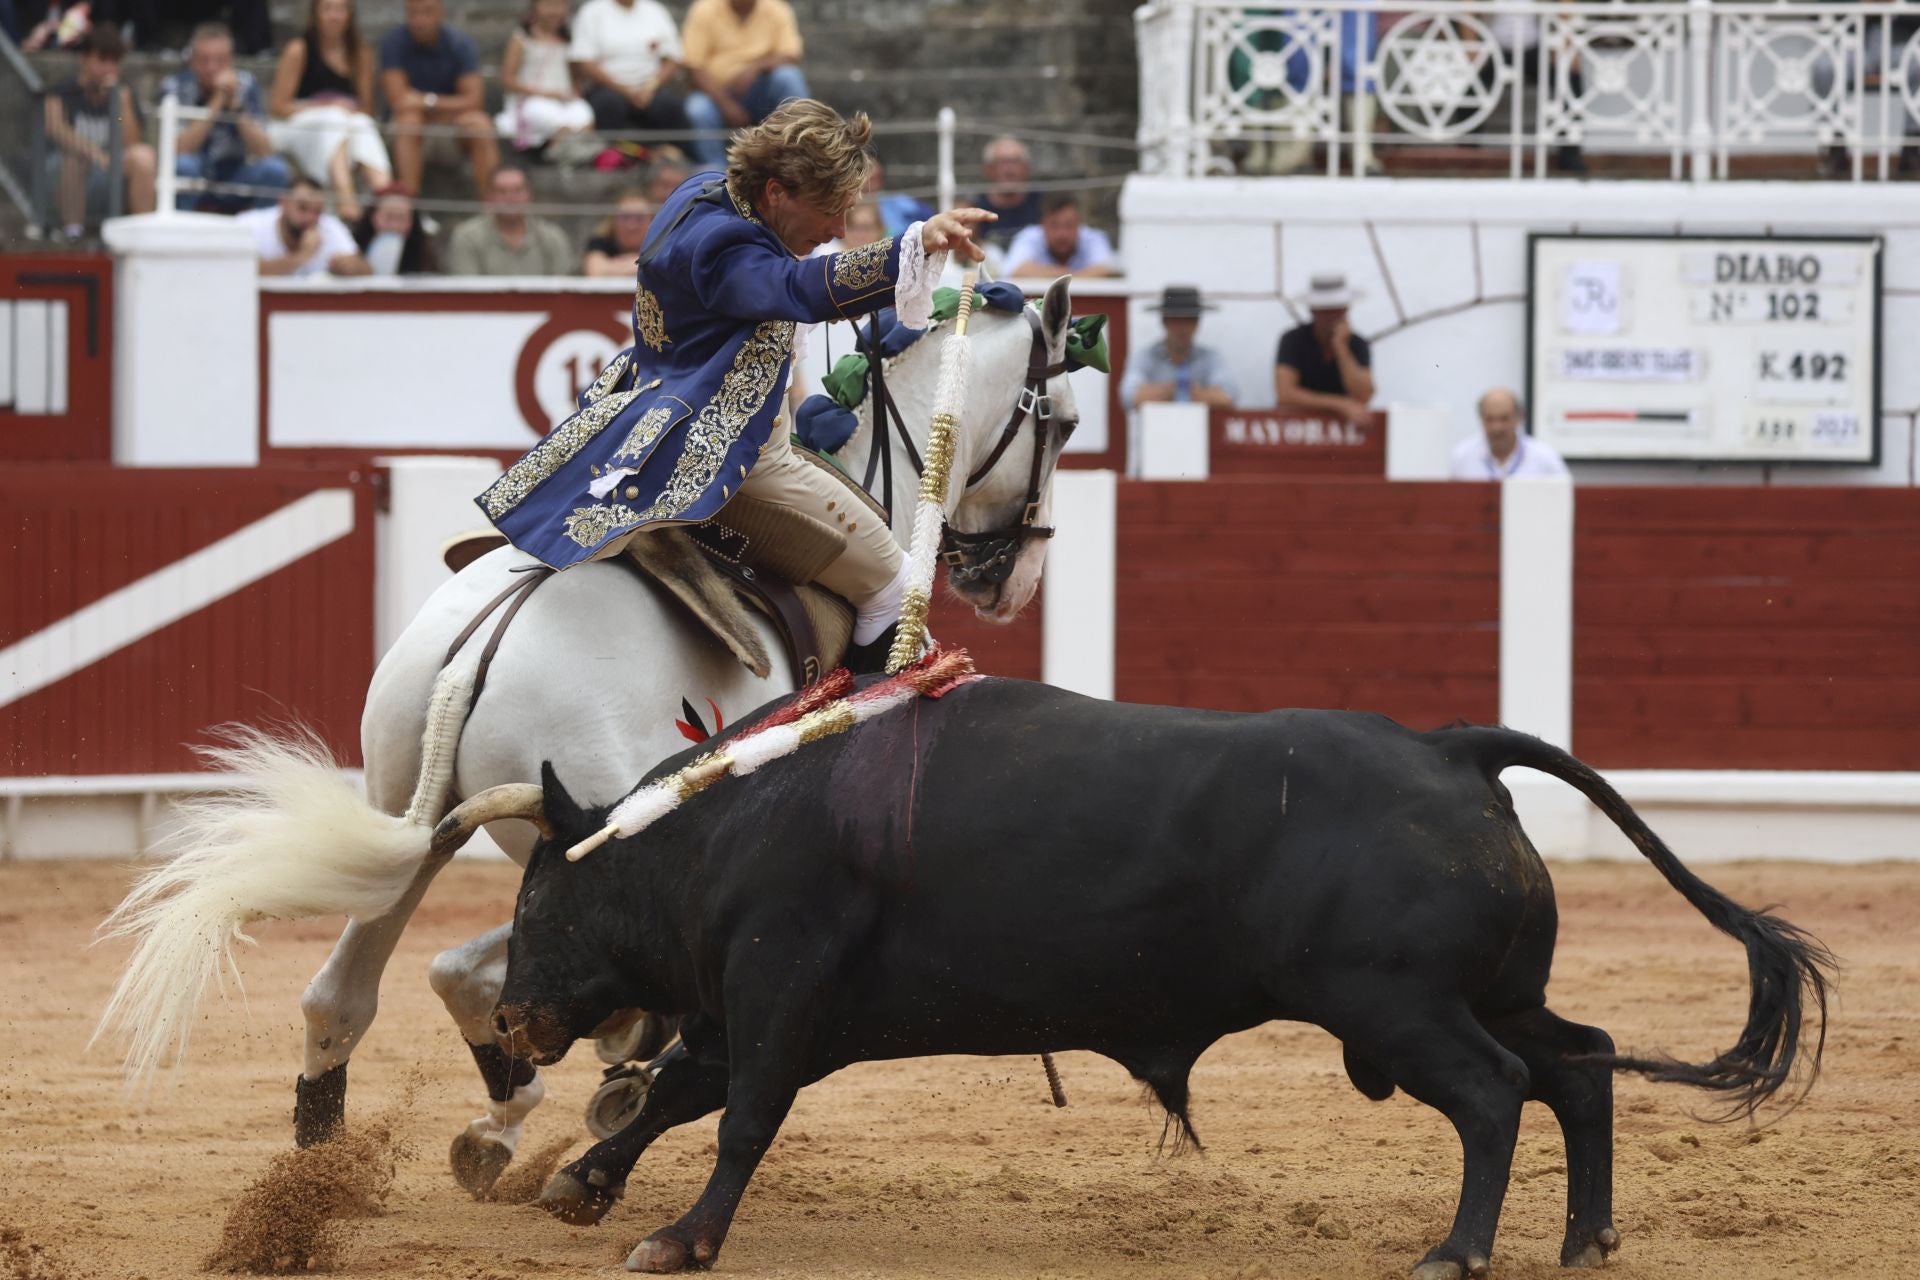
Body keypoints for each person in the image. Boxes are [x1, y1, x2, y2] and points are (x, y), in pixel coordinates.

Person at [474, 98, 995, 660]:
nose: (837, 230)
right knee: (899, 588)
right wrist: (906, 249)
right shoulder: (728, 248)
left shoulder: (701, 193)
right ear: (776, 193)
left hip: (650, 408)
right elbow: (794, 288)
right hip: (733, 457)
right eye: (830, 210)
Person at [267, 0, 391, 223]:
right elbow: (278, 106)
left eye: (340, 9)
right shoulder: (299, 49)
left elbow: (366, 108)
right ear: (315, 14)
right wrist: (326, 105)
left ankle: (388, 198)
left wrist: (345, 110)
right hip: (297, 125)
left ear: (350, 15)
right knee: (334, 118)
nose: (334, 16)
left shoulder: (360, 53)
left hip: (344, 124)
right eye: (328, 9)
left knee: (362, 123)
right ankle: (346, 200)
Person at [162, 22, 291, 211]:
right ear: (192, 60)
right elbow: (178, 150)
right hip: (197, 173)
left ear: (231, 60)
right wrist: (217, 102)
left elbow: (265, 150)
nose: (211, 67)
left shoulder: (246, 85)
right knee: (184, 166)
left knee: (275, 170)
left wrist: (235, 107)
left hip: (236, 174)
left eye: (220, 60)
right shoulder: (174, 86)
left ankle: (262, 234)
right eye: (204, 60)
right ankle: (179, 234)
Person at [41, 25, 156, 235]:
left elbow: (132, 143)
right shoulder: (61, 93)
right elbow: (55, 129)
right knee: (75, 156)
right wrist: (94, 153)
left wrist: (121, 103)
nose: (109, 69)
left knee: (144, 157)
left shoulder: (123, 95)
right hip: (63, 174)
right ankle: (73, 233)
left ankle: (143, 234)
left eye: (115, 61)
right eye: (103, 60)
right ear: (84, 59)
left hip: (108, 171)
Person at [379, 0, 498, 197]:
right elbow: (400, 101)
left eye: (427, 12)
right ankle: (410, 211)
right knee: (410, 120)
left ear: (440, 13)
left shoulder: (460, 44)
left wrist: (427, 101)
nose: (420, 20)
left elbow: (475, 100)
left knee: (480, 124)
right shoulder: (392, 42)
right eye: (414, 13)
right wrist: (447, 105)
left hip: (451, 130)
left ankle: (493, 210)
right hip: (409, 132)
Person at [680, 0, 807, 166]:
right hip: (716, 94)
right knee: (697, 108)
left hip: (762, 90)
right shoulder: (704, 9)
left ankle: (798, 154)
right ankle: (714, 172)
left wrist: (755, 68)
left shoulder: (776, 9)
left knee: (789, 77)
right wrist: (726, 105)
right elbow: (694, 67)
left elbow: (790, 55)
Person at [569, 0, 694, 142]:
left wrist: (649, 87)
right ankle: (610, 157)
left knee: (670, 107)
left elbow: (673, 58)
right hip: (606, 88)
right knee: (608, 105)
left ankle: (676, 157)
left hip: (649, 89)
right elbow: (585, 62)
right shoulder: (592, 12)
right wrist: (625, 90)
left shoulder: (655, 11)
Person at [1274, 272, 1375, 423]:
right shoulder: (1293, 340)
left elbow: (1363, 394)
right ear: (1313, 310)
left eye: (1339, 309)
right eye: (1326, 310)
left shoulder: (1357, 343)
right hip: (1298, 428)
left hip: (1346, 434)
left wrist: (1341, 348)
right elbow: (1285, 394)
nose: (1333, 316)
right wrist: (1341, 405)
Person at [497, 0, 595, 152]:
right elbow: (508, 79)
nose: (554, 11)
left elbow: (573, 76)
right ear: (535, 7)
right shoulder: (521, 39)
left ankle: (573, 150)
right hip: (530, 100)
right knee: (545, 114)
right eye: (548, 5)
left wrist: (574, 92)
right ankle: (558, 150)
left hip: (563, 100)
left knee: (583, 112)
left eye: (559, 5)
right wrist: (543, 93)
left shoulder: (568, 40)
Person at [1121, 285, 1239, 410]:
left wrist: (1174, 392)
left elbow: (1229, 397)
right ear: (1165, 321)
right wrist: (1181, 389)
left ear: (1197, 323)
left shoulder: (1210, 357)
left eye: (1188, 320)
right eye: (1176, 320)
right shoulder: (1146, 356)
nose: (1182, 328)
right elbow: (1129, 397)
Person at [448, 164, 573, 276]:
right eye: (502, 191)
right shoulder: (467, 237)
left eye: (518, 190)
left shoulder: (553, 237)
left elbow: (563, 292)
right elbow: (466, 295)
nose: (510, 198)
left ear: (529, 195)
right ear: (489, 196)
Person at [237, 174, 370, 277]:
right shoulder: (250, 225)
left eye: (317, 211)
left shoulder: (331, 227)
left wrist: (353, 267)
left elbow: (368, 270)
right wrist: (301, 256)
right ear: (284, 203)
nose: (310, 217)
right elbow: (242, 272)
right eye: (302, 208)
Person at [1451, 388, 1570, 480]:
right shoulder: (1462, 457)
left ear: (1519, 417)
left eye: (1504, 419)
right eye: (1490, 419)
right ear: (1481, 418)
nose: (1497, 427)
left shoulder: (1545, 458)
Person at [1004, 193, 1116, 278]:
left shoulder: (1094, 238)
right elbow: (1016, 271)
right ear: (1042, 225)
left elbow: (1106, 270)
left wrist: (1055, 276)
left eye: (1069, 225)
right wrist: (1074, 276)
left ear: (1079, 224)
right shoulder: (1029, 237)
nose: (1062, 234)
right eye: (1054, 225)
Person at [351, 182, 439, 274]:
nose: (394, 226)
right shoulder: (353, 245)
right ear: (373, 217)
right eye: (389, 217)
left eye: (401, 218)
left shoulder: (423, 253)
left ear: (412, 221)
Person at [973, 135, 1041, 248]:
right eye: (1002, 162)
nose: (1009, 170)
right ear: (988, 169)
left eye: (1015, 162)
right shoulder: (975, 210)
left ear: (1027, 168)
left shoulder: (1043, 205)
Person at [582, 189, 654, 276]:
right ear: (613, 221)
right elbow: (595, 271)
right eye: (625, 217)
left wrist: (613, 266)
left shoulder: (661, 244)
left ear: (652, 222)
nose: (631, 225)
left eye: (639, 218)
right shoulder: (600, 242)